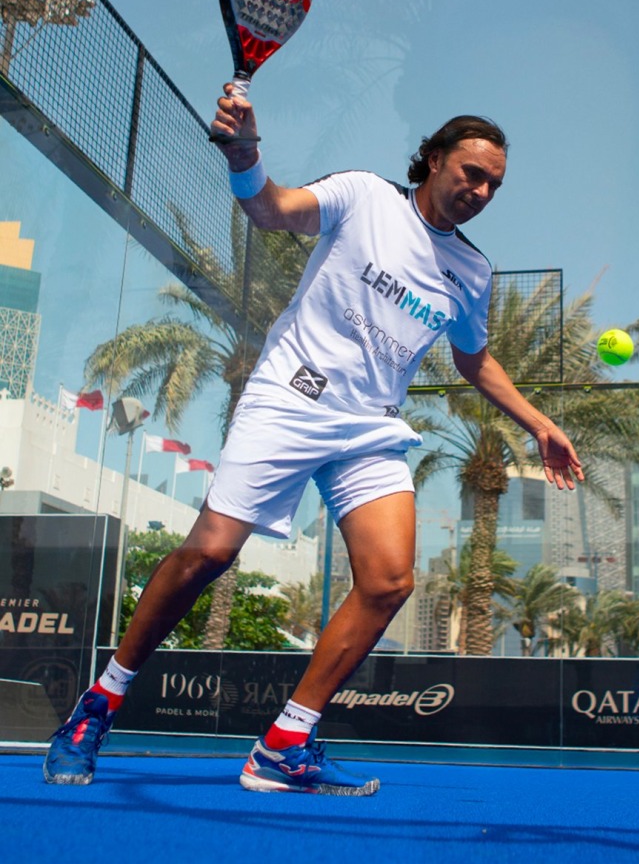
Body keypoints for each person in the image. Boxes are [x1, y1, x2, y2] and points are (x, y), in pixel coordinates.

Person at [43, 86, 584, 795]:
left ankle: (285, 742)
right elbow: (271, 210)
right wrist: (244, 154)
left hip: (369, 427)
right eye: (470, 173)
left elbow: (473, 359)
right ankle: (98, 704)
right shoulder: (364, 196)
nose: (480, 191)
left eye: (493, 184)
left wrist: (539, 423)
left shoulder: (471, 271)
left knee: (389, 580)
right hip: (289, 397)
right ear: (432, 161)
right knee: (209, 552)